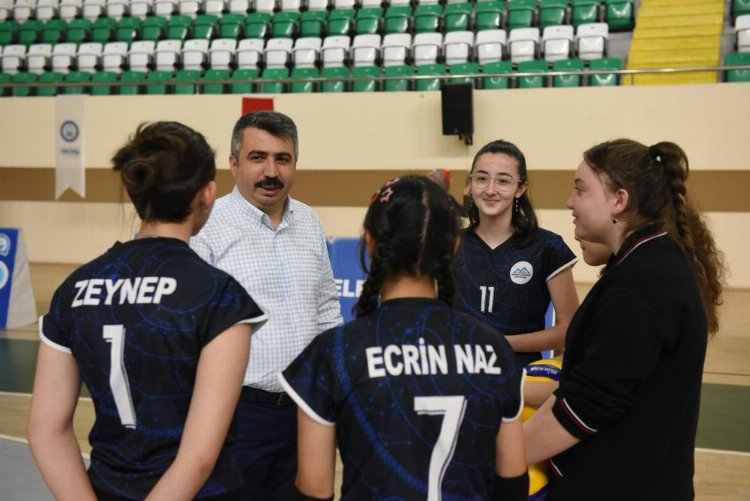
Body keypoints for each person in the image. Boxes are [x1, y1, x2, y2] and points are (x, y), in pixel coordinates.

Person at [27, 121, 267, 500]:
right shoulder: (219, 297)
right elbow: (198, 458)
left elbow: (46, 430)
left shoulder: (73, 289)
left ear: (132, 189)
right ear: (207, 194)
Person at [280, 176, 529, 501]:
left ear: (370, 243)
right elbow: (512, 483)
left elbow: (314, 490)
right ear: (455, 246)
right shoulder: (494, 348)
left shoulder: (334, 352)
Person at [524, 139, 726, 500]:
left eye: (580, 189)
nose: (570, 202)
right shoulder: (642, 264)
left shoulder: (640, 282)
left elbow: (584, 408)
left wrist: (498, 457)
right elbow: (581, 389)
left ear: (619, 200)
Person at [190, 110, 343, 500]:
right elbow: (192, 329)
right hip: (237, 414)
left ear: (295, 163)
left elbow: (327, 308)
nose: (271, 172)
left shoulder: (309, 221)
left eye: (282, 159)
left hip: (307, 411)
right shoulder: (207, 227)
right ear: (234, 163)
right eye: (258, 158)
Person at [452, 140, 580, 365]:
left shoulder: (548, 247)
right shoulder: (449, 245)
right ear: (470, 184)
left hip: (522, 377)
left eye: (503, 181)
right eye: (481, 179)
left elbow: (570, 328)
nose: (490, 190)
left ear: (520, 188)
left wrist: (501, 343)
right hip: (457, 372)